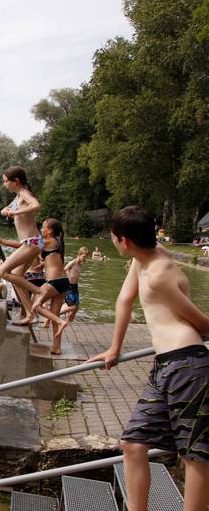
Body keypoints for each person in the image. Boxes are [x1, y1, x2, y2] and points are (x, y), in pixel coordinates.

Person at [87, 206, 209, 511]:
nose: (113, 243)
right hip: (164, 366)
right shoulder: (141, 260)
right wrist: (114, 348)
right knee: (133, 443)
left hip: (187, 365)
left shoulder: (157, 275)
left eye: (114, 238)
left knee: (194, 453)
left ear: (123, 241)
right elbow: (124, 299)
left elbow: (201, 324)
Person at [0, 167, 43, 325]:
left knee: (2, 271)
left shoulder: (25, 193)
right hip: (30, 242)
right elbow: (2, 211)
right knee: (16, 278)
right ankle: (31, 314)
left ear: (16, 181)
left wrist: (15, 213)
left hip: (32, 242)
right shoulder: (17, 196)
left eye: (6, 181)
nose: (4, 184)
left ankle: (39, 292)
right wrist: (6, 210)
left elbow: (36, 205)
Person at [26, 219, 69, 353]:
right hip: (63, 281)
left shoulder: (49, 241)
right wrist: (41, 265)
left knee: (35, 305)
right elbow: (54, 260)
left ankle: (61, 321)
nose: (41, 230)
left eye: (43, 228)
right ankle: (57, 348)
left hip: (54, 282)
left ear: (50, 231)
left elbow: (24, 245)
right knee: (53, 314)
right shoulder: (57, 242)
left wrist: (2, 241)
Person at [58, 247, 88, 325]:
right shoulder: (74, 262)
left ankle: (68, 323)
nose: (85, 258)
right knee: (72, 306)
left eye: (86, 256)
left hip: (75, 286)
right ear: (79, 255)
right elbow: (65, 269)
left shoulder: (80, 264)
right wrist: (68, 277)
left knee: (76, 307)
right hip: (69, 286)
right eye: (84, 256)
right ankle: (54, 315)